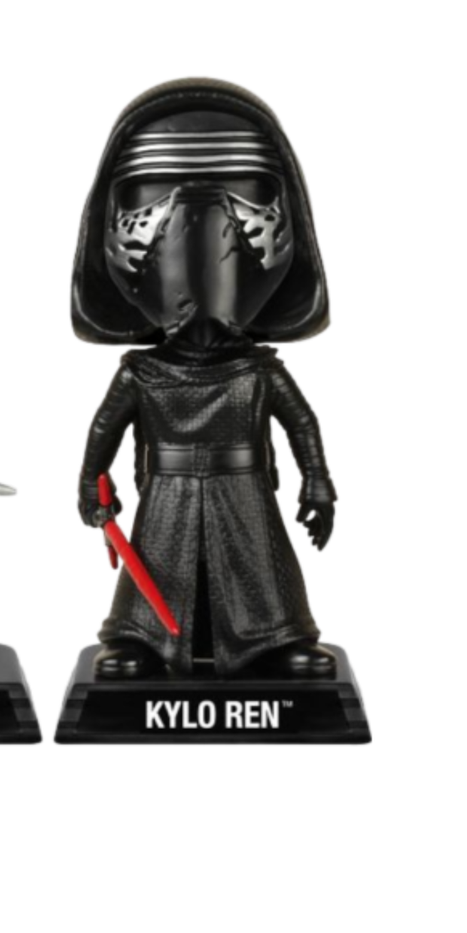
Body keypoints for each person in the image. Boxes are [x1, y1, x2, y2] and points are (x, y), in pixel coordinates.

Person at [71, 77, 338, 678]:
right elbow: (104, 429)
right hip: (167, 488)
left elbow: (302, 423)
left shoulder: (258, 371)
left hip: (242, 485)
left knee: (256, 571)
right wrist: (90, 482)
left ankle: (273, 639)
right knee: (164, 566)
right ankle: (144, 639)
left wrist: (318, 481)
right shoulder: (143, 373)